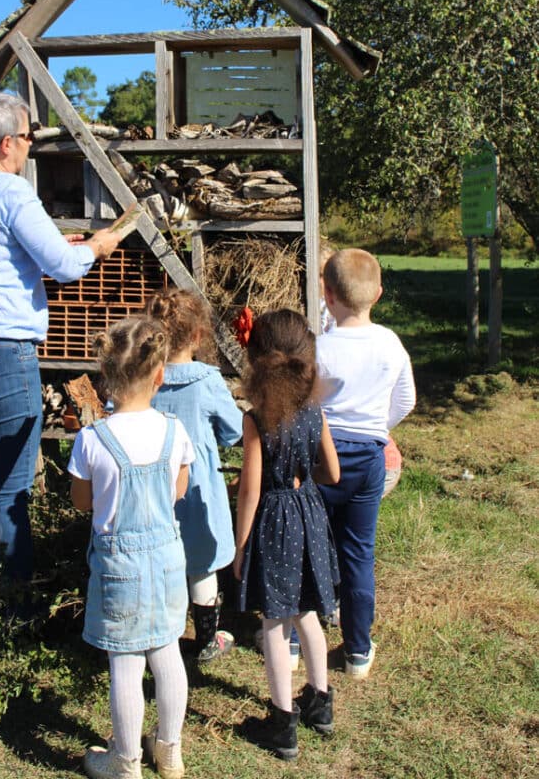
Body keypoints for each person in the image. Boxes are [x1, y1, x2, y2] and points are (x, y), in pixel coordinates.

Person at [0, 90, 123, 624]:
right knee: (10, 492)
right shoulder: (13, 192)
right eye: (28, 134)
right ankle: (21, 612)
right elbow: (63, 267)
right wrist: (97, 247)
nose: (33, 142)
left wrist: (64, 249)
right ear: (6, 141)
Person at [68, 316, 194, 779]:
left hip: (118, 564)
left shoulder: (92, 438)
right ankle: (170, 751)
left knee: (124, 661)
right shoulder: (174, 432)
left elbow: (83, 502)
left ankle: (124, 762)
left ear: (105, 376)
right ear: (160, 375)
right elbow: (178, 491)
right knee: (167, 653)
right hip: (166, 560)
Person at [234, 310, 340, 761]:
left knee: (274, 623)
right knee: (308, 613)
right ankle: (320, 702)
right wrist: (304, 482)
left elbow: (250, 493)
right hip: (309, 513)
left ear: (259, 360)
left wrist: (239, 550)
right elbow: (332, 471)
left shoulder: (257, 420)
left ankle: (282, 724)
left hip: (275, 521)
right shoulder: (315, 409)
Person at [315, 248, 416, 679]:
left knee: (313, 546)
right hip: (369, 456)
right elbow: (407, 399)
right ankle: (357, 649)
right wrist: (378, 426)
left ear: (327, 293)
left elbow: (307, 406)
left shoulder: (320, 346)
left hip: (322, 456)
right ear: (378, 293)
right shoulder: (390, 344)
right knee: (359, 552)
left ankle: (300, 639)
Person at [146, 288, 242, 663]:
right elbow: (234, 430)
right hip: (198, 487)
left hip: (152, 487)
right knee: (201, 563)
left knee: (158, 561)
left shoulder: (144, 376)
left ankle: (160, 636)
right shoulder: (207, 382)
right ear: (199, 335)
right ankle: (206, 638)